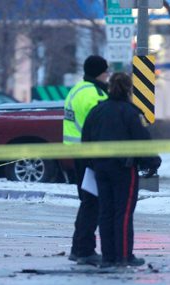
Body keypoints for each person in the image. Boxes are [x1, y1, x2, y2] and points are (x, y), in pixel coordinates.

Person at [81, 72, 161, 267]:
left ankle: (108, 256)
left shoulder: (97, 111)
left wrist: (93, 163)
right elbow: (142, 141)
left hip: (101, 168)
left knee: (106, 212)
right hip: (124, 169)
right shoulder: (131, 113)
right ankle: (124, 256)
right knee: (123, 213)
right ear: (129, 89)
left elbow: (86, 139)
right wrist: (152, 162)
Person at [64, 55, 109, 265]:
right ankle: (85, 251)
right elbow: (102, 126)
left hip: (79, 155)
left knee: (87, 202)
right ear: (101, 72)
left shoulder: (77, 89)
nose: (107, 75)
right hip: (92, 156)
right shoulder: (95, 94)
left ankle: (78, 248)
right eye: (106, 71)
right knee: (92, 204)